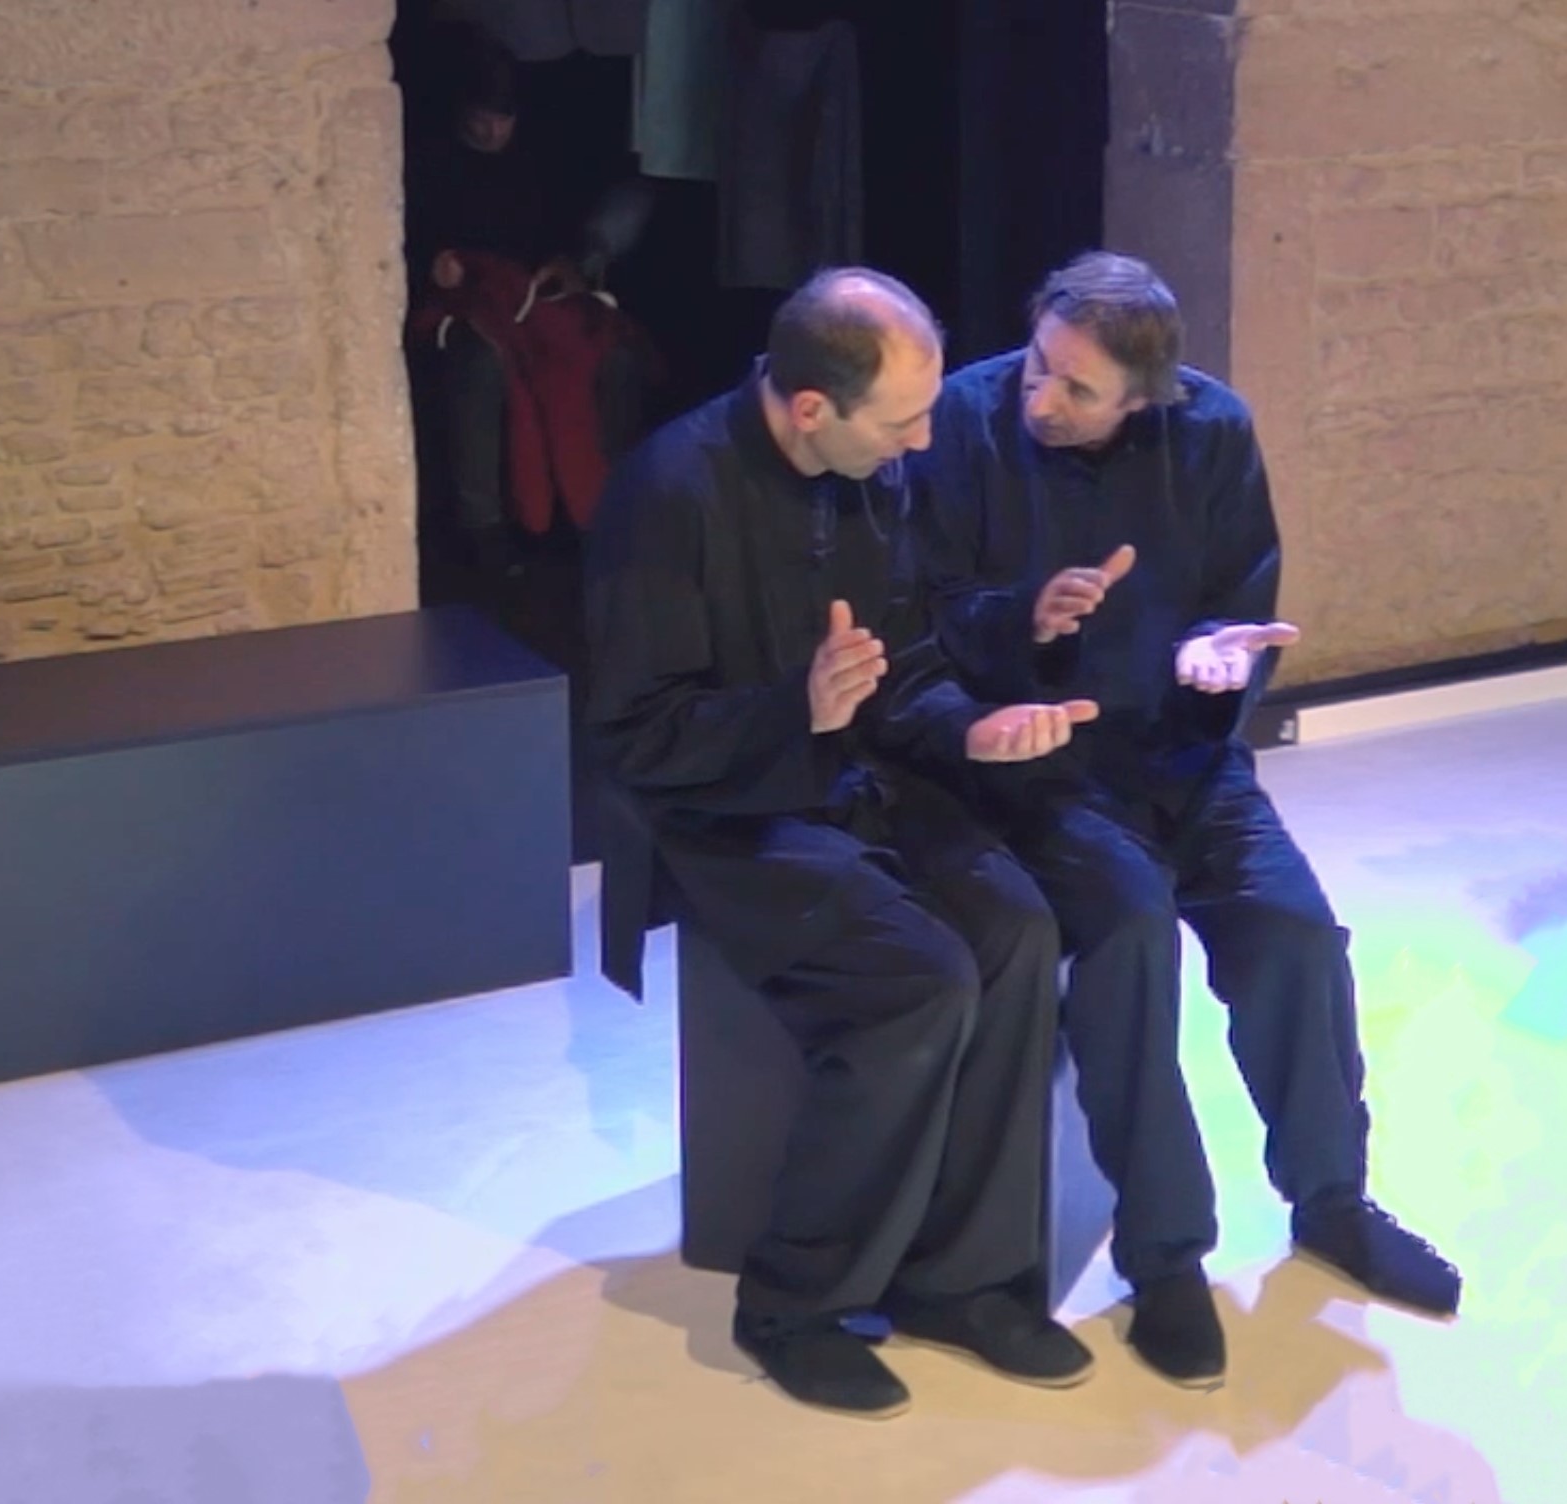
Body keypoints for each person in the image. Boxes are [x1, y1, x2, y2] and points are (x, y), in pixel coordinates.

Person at [911, 250, 1463, 1389]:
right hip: (1051, 765)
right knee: (1130, 943)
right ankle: (1165, 1256)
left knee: (1292, 933)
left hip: (1186, 757)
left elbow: (1236, 603)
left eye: (1076, 388)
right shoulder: (965, 419)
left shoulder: (1212, 430)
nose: (1041, 397)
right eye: (1039, 366)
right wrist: (1027, 617)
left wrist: (1218, 659)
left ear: (1144, 395)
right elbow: (928, 608)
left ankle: (1331, 1198)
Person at [581, 266, 1107, 1419]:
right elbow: (631, 736)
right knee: (915, 980)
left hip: (855, 774)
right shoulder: (669, 492)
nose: (922, 440)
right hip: (721, 808)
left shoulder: (872, 476)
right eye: (902, 420)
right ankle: (794, 1306)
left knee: (1017, 928)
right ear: (812, 406)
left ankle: (962, 1278)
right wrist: (795, 712)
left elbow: (902, 666)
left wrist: (971, 728)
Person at [400, 21, 656, 578]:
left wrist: (570, 265)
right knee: (481, 364)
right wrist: (429, 265)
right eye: (481, 117)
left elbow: (567, 235)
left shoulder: (539, 158)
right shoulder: (426, 162)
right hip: (463, 306)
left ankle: (606, 512)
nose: (492, 129)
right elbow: (399, 241)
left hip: (535, 297)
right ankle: (485, 527)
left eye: (503, 118)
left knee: (613, 358)